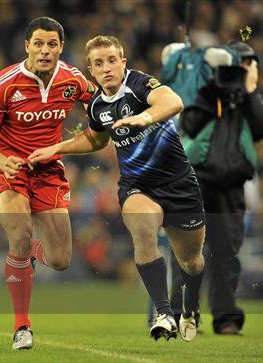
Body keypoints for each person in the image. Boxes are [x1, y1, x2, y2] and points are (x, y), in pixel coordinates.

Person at [29, 35, 206, 342]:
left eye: (112, 61)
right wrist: (55, 148)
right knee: (142, 231)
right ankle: (164, 313)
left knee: (191, 261)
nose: (107, 68)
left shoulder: (139, 84)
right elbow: (96, 139)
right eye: (99, 63)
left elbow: (173, 101)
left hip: (179, 184)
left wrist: (143, 118)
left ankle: (191, 309)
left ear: (123, 63)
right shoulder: (97, 106)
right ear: (91, 71)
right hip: (138, 186)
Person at [0, 17, 95, 350]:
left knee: (60, 260)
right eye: (38, 43)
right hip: (7, 168)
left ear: (61, 47)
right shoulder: (4, 84)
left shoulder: (73, 80)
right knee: (21, 233)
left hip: (46, 168)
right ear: (26, 45)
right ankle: (22, 326)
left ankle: (24, 257)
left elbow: (98, 104)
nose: (44, 50)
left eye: (51, 44)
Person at [176, 40, 263, 335]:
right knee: (188, 250)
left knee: (227, 253)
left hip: (232, 185)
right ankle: (185, 314)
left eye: (247, 64)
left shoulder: (248, 98)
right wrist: (212, 89)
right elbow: (189, 124)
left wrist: (250, 91)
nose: (239, 70)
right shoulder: (204, 90)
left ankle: (226, 318)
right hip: (197, 179)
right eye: (237, 63)